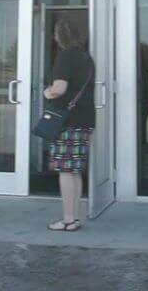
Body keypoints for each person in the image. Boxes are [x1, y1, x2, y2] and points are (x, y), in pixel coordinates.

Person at [42, 19, 95, 232]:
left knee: (65, 170)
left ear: (61, 35)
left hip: (67, 121)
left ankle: (67, 219)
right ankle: (74, 218)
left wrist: (47, 92)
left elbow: (59, 89)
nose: (54, 37)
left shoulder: (65, 56)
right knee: (74, 171)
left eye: (56, 33)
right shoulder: (86, 58)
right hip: (85, 119)